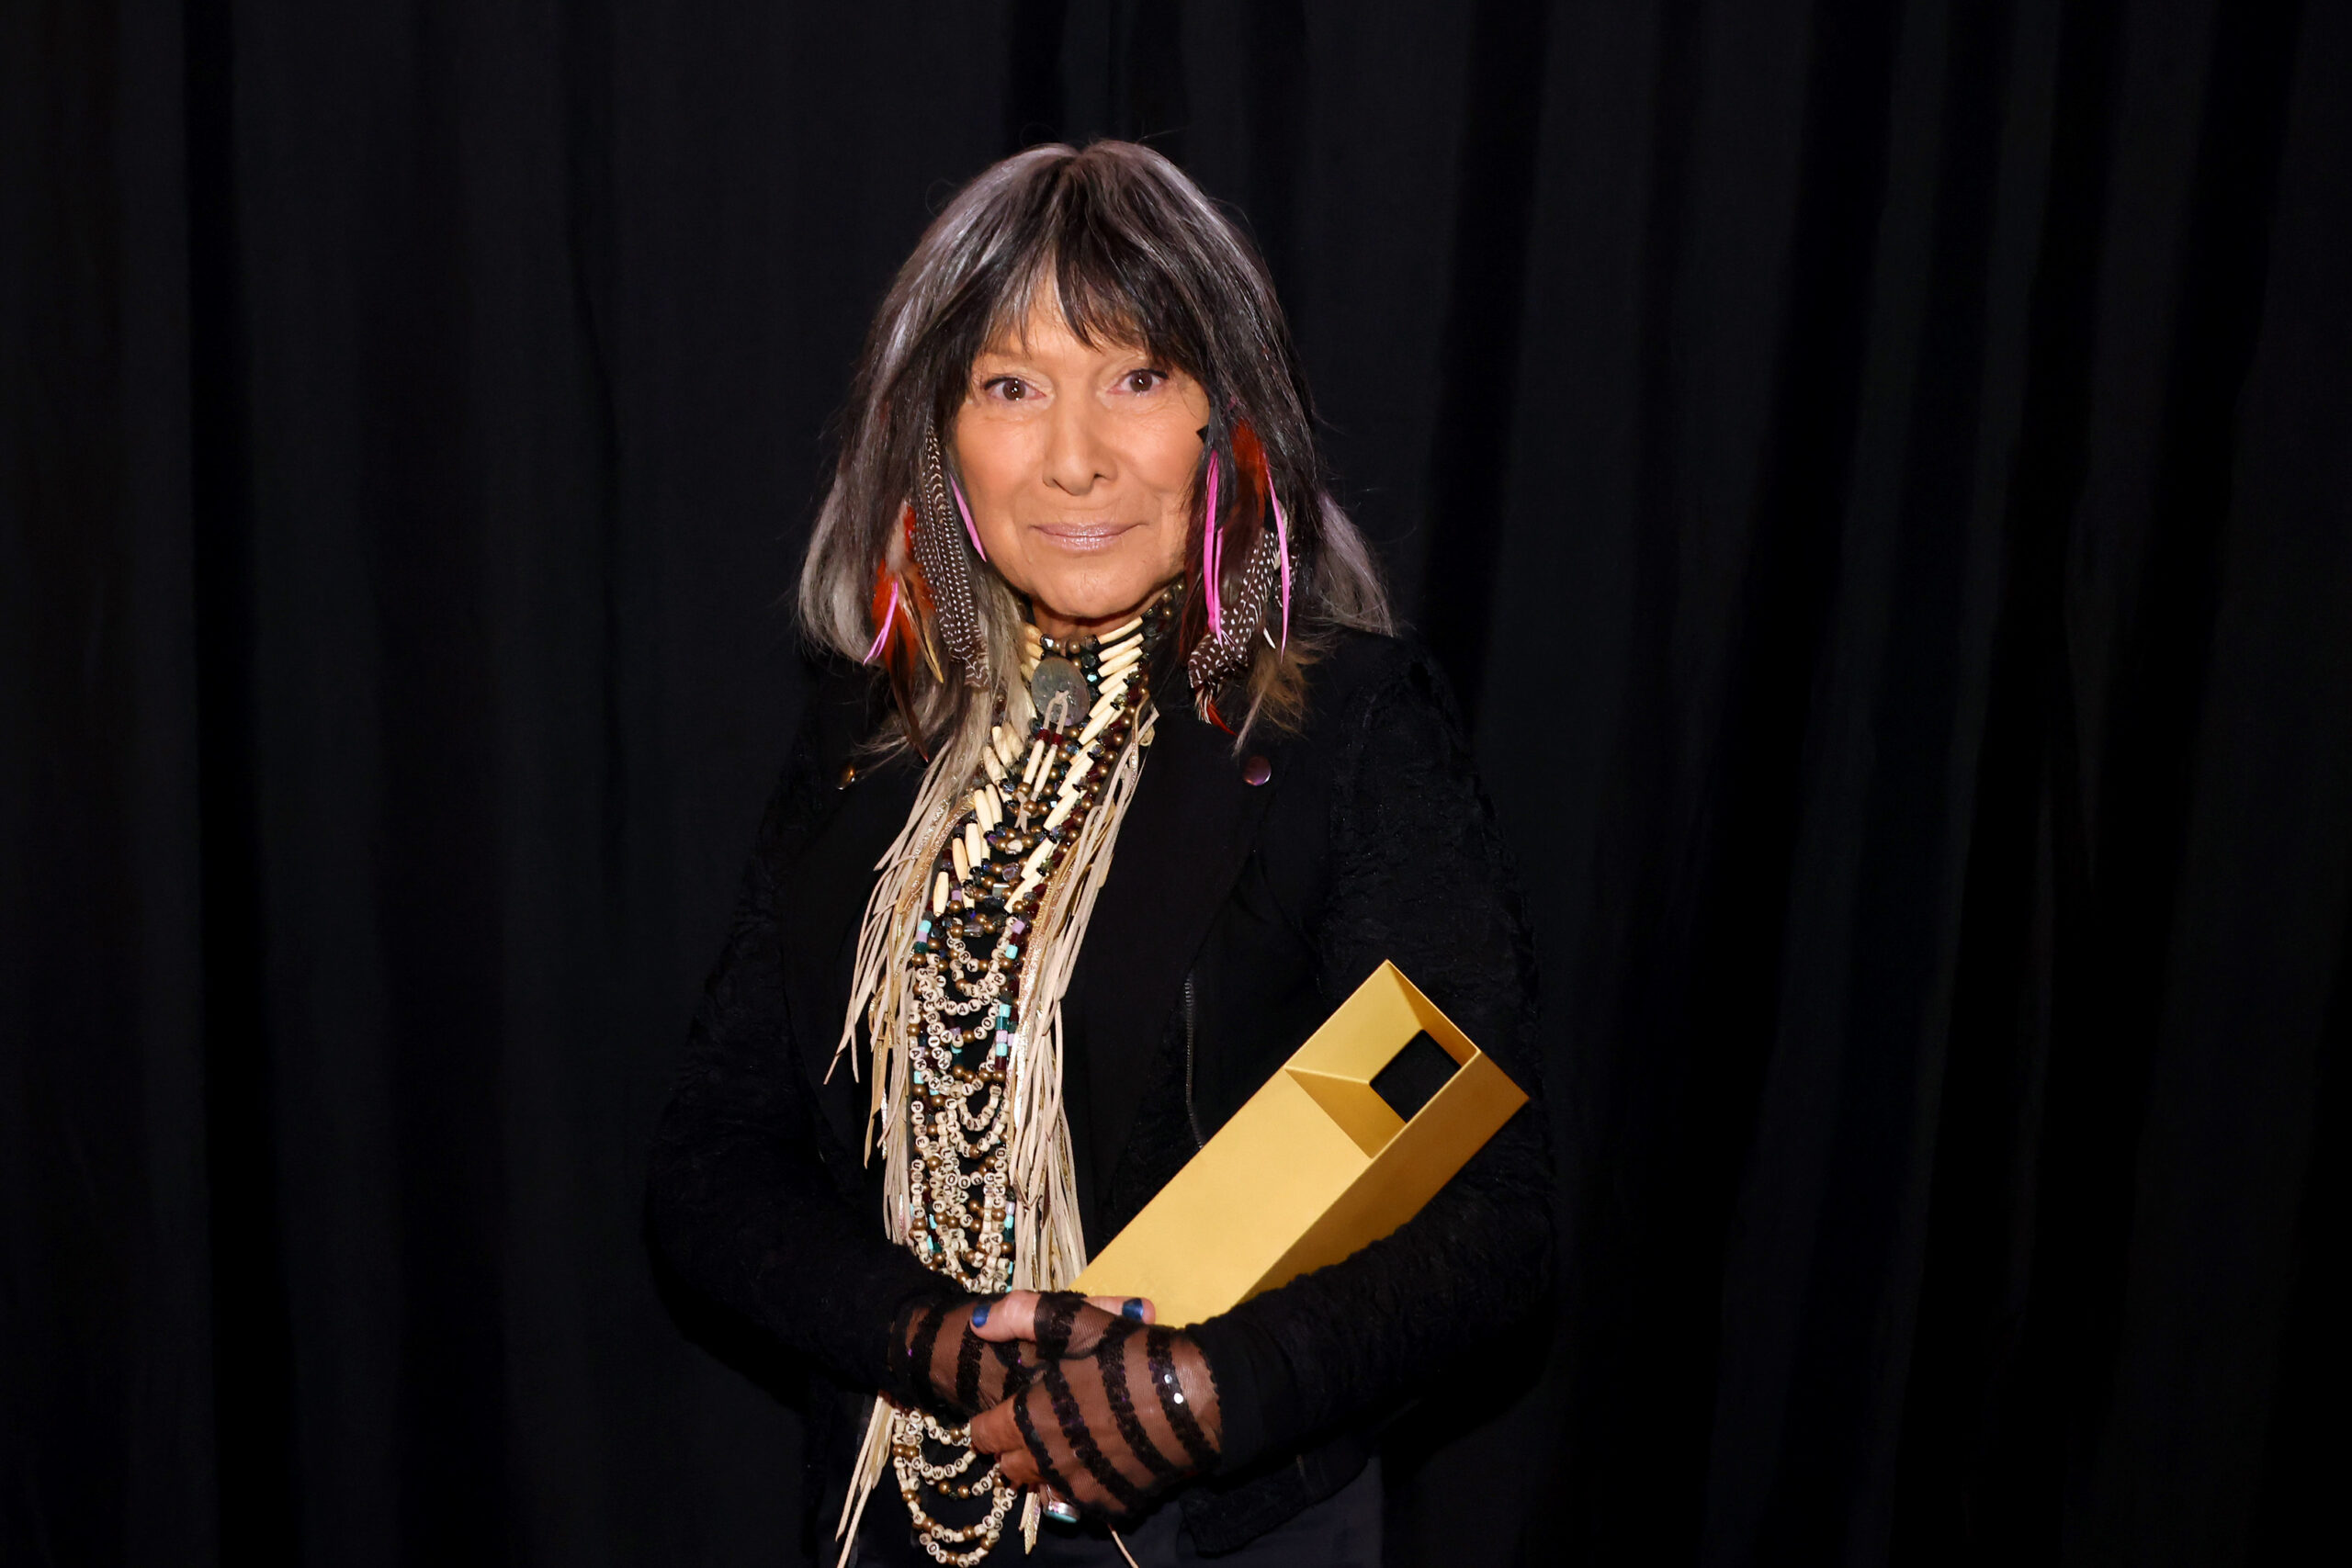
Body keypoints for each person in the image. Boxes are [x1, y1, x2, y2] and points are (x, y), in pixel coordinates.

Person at [647, 140, 1550, 1567]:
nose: (1075, 456)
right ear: (935, 437)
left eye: (1138, 377)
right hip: (890, 1523)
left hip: (1223, 1536)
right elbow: (710, 1166)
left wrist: (1204, 1390)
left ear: (1228, 420)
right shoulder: (868, 740)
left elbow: (1491, 1217)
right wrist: (932, 1339)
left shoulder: (1345, 732)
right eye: (1012, 387)